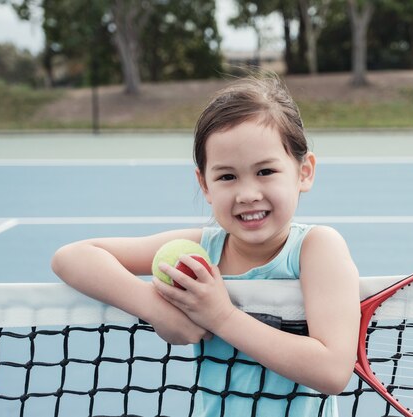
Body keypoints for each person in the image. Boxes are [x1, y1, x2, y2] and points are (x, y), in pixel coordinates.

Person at [51, 72, 360, 417]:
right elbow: (72, 257)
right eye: (227, 176)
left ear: (304, 172)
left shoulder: (316, 248)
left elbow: (333, 372)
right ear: (205, 184)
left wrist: (221, 316)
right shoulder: (199, 250)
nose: (247, 194)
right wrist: (155, 309)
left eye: (265, 172)